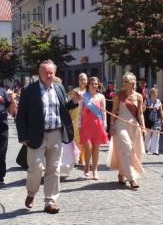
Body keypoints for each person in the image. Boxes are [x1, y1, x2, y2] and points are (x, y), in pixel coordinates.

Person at [16, 60, 80, 214]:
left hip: (56, 134)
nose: (49, 75)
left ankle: (50, 201)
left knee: (53, 169)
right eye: (46, 72)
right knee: (35, 168)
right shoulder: (29, 90)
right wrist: (23, 136)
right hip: (35, 136)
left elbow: (64, 107)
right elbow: (20, 115)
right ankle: (31, 193)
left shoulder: (58, 88)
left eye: (51, 72)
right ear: (40, 73)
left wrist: (75, 101)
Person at [107, 72, 146, 189]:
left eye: (126, 81)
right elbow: (114, 111)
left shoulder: (138, 96)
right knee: (126, 148)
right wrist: (111, 125)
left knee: (132, 151)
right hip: (120, 125)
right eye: (123, 81)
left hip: (134, 126)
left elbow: (140, 113)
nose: (124, 83)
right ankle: (132, 178)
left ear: (132, 83)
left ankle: (122, 173)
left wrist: (143, 127)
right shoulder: (119, 95)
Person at [80, 76, 108, 179]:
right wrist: (79, 125)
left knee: (96, 148)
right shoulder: (84, 96)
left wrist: (105, 124)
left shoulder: (101, 97)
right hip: (86, 125)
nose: (94, 85)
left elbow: (104, 112)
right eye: (92, 83)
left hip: (98, 125)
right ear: (88, 85)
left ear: (98, 85)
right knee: (88, 147)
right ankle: (87, 165)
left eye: (96, 84)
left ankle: (95, 170)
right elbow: (80, 111)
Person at [69, 73, 88, 166]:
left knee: (86, 138)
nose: (83, 81)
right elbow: (70, 104)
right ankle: (77, 157)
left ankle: (83, 158)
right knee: (77, 138)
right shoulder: (75, 91)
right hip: (76, 117)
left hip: (87, 118)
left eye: (84, 79)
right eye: (81, 79)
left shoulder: (89, 91)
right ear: (78, 80)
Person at [144, 87, 163, 155]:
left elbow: (161, 110)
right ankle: (146, 148)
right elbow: (142, 110)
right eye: (153, 93)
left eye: (156, 93)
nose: (155, 94)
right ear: (151, 93)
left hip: (156, 120)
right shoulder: (147, 100)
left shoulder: (158, 101)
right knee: (148, 135)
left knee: (156, 135)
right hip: (148, 120)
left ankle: (155, 150)